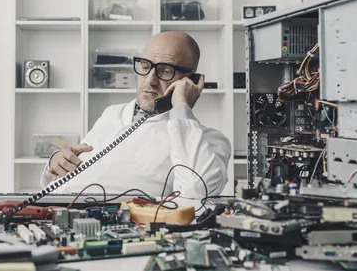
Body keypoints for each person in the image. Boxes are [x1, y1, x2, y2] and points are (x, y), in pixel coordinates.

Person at [40, 31, 232, 199]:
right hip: (43, 212)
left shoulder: (209, 141)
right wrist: (58, 161)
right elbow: (68, 175)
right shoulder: (113, 113)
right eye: (145, 66)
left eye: (165, 70)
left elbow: (197, 190)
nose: (150, 80)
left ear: (191, 81)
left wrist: (181, 107)